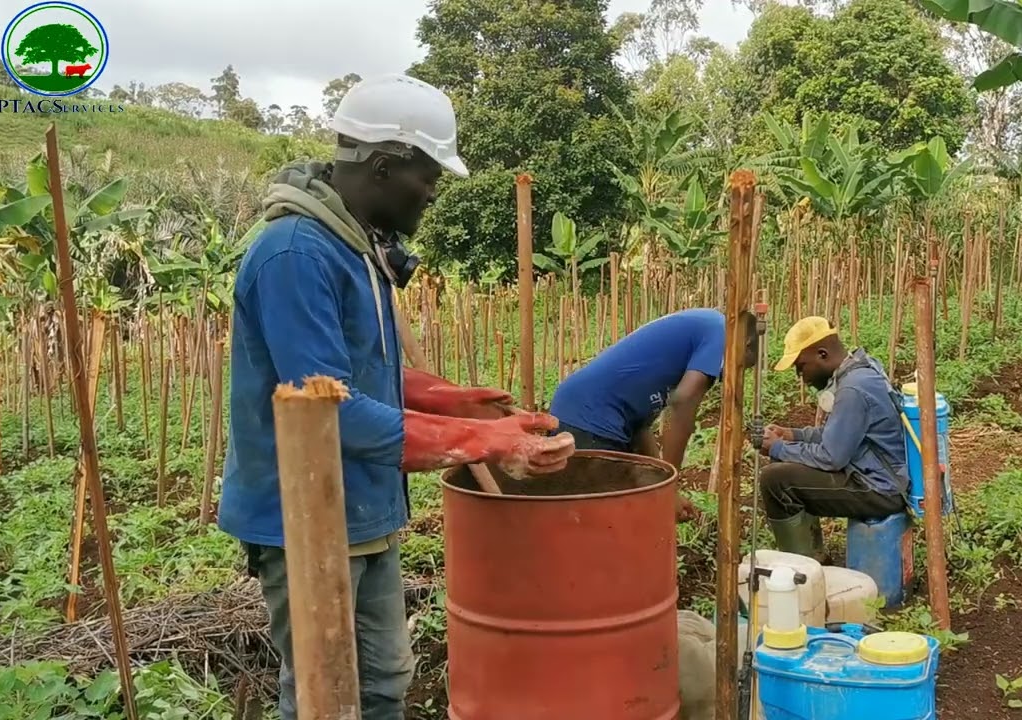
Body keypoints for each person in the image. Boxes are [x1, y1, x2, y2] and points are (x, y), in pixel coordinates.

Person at [218, 74, 575, 720]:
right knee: (324, 695)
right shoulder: (296, 255)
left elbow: (365, 374)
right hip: (308, 517)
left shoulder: (359, 250)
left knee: (384, 683)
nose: (434, 192)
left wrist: (463, 404)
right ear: (383, 166)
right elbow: (328, 412)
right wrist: (481, 441)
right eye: (428, 174)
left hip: (366, 505)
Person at [549, 308, 758, 518]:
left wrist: (660, 482)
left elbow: (640, 426)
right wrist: (669, 489)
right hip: (589, 419)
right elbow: (682, 403)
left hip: (584, 412)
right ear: (746, 344)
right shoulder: (722, 331)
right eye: (740, 367)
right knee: (602, 519)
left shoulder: (692, 339)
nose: (724, 376)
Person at [756, 316, 908, 560]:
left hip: (881, 489)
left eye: (801, 366)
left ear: (822, 354)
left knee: (775, 480)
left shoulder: (852, 389)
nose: (800, 376)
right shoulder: (861, 372)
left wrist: (778, 449)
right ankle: (815, 557)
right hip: (884, 477)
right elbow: (839, 436)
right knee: (788, 470)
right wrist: (792, 435)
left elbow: (831, 457)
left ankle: (804, 568)